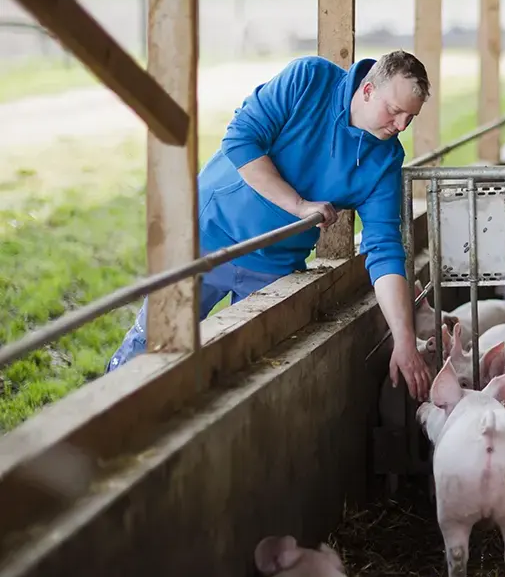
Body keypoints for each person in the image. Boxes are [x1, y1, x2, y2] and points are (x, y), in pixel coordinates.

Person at [105, 50, 435, 401]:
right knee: (155, 342)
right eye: (395, 111)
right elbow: (240, 139)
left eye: (409, 118)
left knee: (239, 375)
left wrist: (403, 341)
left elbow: (383, 247)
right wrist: (298, 205)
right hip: (207, 233)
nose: (400, 126)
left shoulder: (386, 159)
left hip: (274, 263)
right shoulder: (309, 79)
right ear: (368, 90)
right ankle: (108, 408)